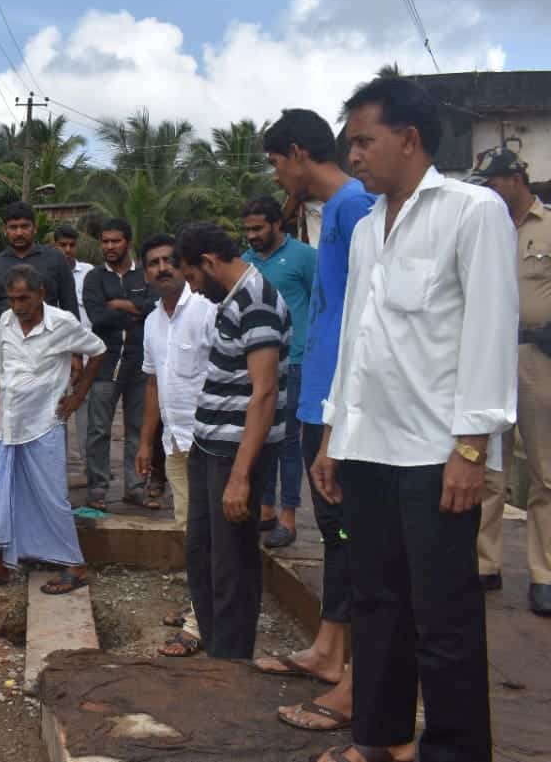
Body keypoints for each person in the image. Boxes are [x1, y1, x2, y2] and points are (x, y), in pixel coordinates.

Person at [312, 77, 517, 762]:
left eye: (365, 140)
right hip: (369, 446)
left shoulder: (471, 211)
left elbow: (490, 328)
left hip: (436, 452)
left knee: (446, 617)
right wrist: (336, 432)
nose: (356, 155)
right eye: (351, 143)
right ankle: (382, 738)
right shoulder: (369, 228)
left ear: (410, 138)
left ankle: (455, 752)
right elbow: (354, 341)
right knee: (376, 605)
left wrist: (470, 445)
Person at [252, 107, 376, 734]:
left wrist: (339, 414)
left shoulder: (355, 208)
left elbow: (368, 314)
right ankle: (330, 649)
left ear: (297, 153)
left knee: (356, 538)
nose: (279, 179)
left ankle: (359, 679)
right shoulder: (331, 214)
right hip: (318, 394)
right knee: (334, 534)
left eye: (277, 164)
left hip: (339, 405)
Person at [174, 222, 289, 660]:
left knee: (232, 564)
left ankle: (232, 661)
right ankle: (216, 649)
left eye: (191, 277)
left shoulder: (257, 300)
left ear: (208, 262)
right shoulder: (234, 299)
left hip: (233, 453)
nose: (194, 289)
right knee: (201, 554)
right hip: (210, 446)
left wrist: (241, 476)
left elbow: (264, 391)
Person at [0, 264, 106, 595]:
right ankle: (0, 567)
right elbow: (3, 374)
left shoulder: (63, 323)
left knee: (51, 497)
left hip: (44, 424)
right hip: (10, 425)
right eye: (11, 299)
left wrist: (77, 396)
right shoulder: (5, 321)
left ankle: (75, 565)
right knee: (4, 497)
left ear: (41, 294)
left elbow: (98, 351)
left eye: (23, 298)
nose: (17, 306)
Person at [467, 146, 551, 616]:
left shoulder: (550, 224)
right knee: (489, 467)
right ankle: (485, 563)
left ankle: (544, 573)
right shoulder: (487, 227)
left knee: (544, 470)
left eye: (494, 182)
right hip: (492, 355)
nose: (491, 191)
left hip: (539, 355)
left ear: (516, 178)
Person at [134, 233, 217, 657]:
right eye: (153, 263)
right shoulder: (151, 321)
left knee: (209, 533)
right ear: (145, 272)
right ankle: (197, 603)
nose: (162, 268)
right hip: (176, 442)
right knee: (189, 529)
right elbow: (153, 384)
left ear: (182, 265)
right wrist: (147, 443)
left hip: (212, 441)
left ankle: (202, 622)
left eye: (169, 260)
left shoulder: (206, 310)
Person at [240, 196, 315, 549]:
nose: (252, 236)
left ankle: (289, 516)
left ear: (276, 225)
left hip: (296, 362)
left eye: (258, 229)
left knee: (287, 442)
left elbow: (322, 303)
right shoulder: (246, 262)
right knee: (261, 437)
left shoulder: (303, 256)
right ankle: (266, 509)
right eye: (247, 230)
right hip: (257, 365)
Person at [82, 218, 158, 510]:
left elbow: (155, 309)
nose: (109, 247)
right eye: (105, 241)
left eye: (115, 241)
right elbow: (97, 317)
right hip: (104, 363)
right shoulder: (95, 278)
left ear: (128, 241)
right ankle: (98, 490)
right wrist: (135, 311)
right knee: (98, 430)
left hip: (141, 364)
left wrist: (120, 304)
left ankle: (135, 488)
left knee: (138, 430)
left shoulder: (145, 276)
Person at [0, 202, 79, 394]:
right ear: (5, 230)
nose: (19, 232)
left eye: (24, 226)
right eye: (13, 227)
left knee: (50, 412)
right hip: (5, 354)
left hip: (49, 352)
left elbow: (70, 308)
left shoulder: (55, 260)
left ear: (34, 228)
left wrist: (76, 355)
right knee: (5, 411)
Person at [53, 225, 94, 472]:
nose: (67, 250)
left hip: (87, 358)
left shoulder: (89, 273)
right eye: (62, 245)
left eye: (71, 245)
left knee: (87, 417)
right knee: (56, 414)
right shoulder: (45, 271)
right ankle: (58, 469)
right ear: (54, 245)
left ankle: (91, 468)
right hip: (55, 359)